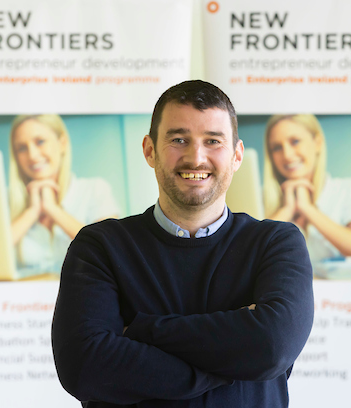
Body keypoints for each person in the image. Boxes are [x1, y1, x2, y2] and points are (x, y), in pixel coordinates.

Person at [52, 81, 314, 407]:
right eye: (179, 140)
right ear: (149, 150)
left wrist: (140, 331)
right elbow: (83, 366)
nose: (196, 157)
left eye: (213, 141)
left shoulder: (276, 243)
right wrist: (232, 362)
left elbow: (273, 344)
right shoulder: (99, 247)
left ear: (236, 155)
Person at [9, 114, 119, 275]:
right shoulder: (5, 200)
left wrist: (53, 209)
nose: (32, 155)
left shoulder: (95, 189)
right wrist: (31, 213)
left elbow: (111, 253)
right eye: (22, 148)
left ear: (62, 143)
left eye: (40, 142)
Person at [263, 114, 351, 262]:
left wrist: (308, 209)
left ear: (317, 143)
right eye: (277, 147)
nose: (287, 155)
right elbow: (249, 256)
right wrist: (286, 211)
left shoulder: (348, 189)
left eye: (295, 141)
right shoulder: (262, 197)